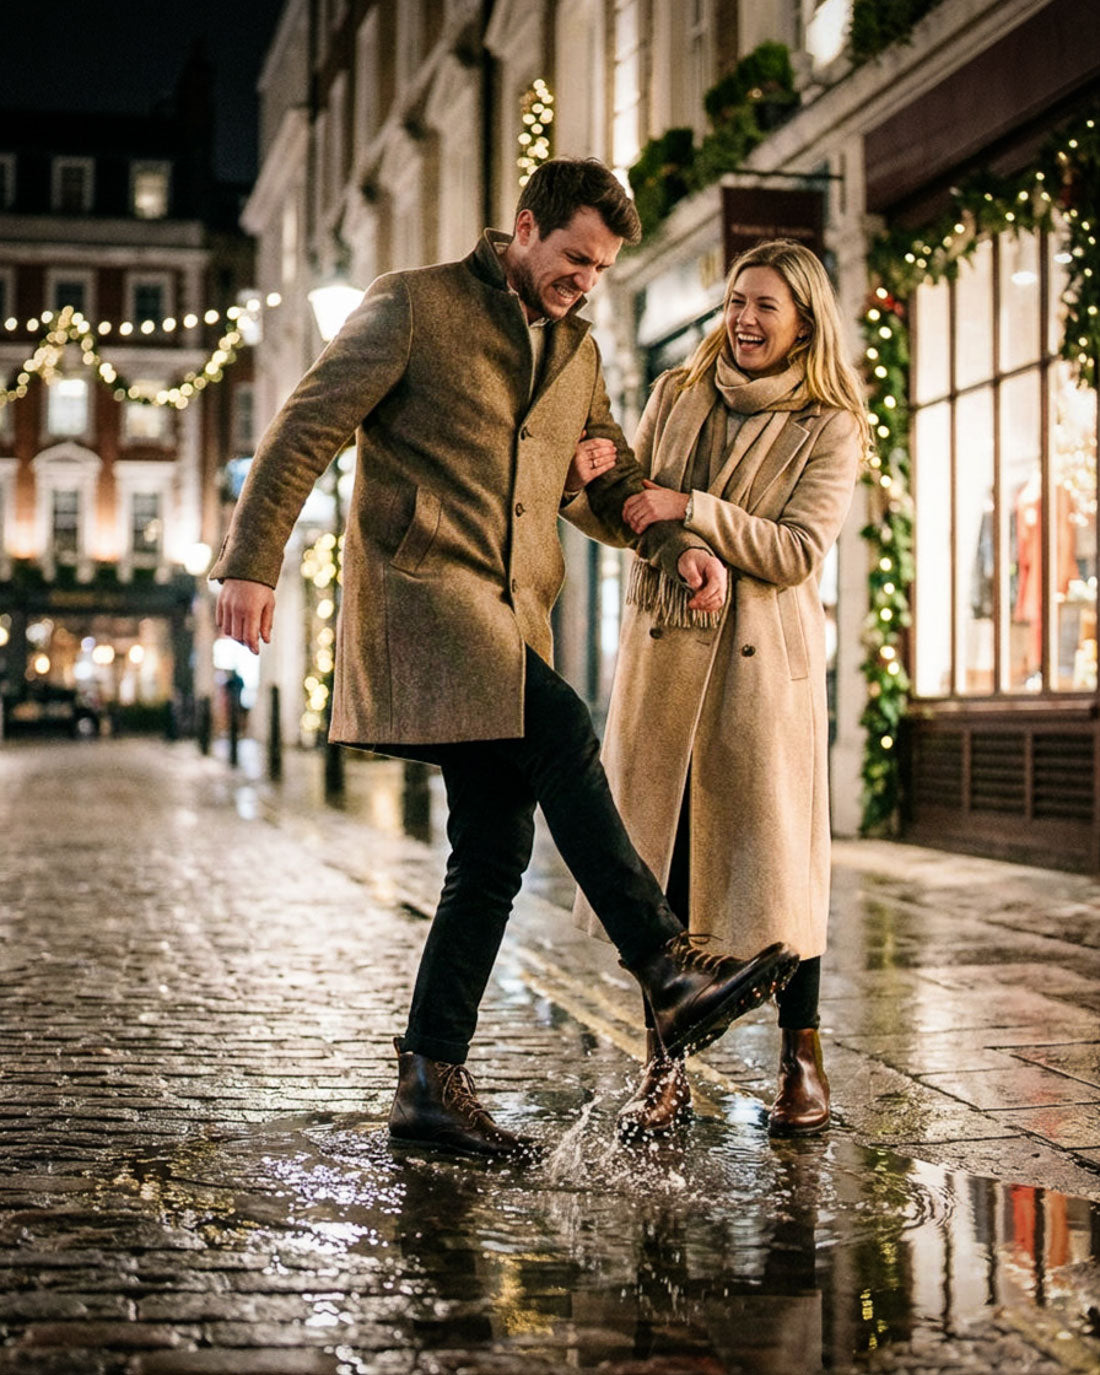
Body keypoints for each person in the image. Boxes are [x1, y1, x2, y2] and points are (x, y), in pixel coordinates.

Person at [212, 158, 799, 1160]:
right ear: (522, 228)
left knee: (491, 851)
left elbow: (610, 479)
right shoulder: (413, 307)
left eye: (601, 267)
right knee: (564, 726)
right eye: (572, 257)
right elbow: (305, 427)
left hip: (507, 617)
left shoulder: (576, 353)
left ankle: (429, 1082)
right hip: (423, 601)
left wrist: (675, 542)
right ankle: (664, 963)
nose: (584, 280)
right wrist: (250, 564)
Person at [572, 238, 867, 1140]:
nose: (742, 318)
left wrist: (692, 508)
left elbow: (797, 550)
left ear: (804, 321)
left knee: (781, 871)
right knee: (661, 869)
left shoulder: (831, 423)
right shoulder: (676, 393)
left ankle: (801, 1056)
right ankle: (664, 1066)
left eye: (765, 305)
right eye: (737, 300)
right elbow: (634, 520)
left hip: (757, 675)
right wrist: (590, 491)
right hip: (666, 661)